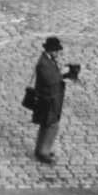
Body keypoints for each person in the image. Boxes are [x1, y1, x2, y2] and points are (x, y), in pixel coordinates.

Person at [30, 36, 74, 164]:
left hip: (51, 99)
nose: (58, 53)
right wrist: (62, 74)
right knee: (51, 125)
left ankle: (41, 149)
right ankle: (44, 152)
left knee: (46, 125)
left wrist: (62, 73)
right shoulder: (43, 63)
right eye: (56, 51)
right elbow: (50, 80)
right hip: (47, 100)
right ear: (51, 50)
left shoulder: (48, 60)